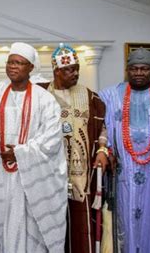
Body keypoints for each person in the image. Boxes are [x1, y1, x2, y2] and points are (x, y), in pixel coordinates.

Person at [0, 42, 67, 252]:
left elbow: (52, 140)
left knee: (28, 227)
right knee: (2, 222)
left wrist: (20, 153)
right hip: (2, 175)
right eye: (10, 62)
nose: (13, 66)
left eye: (19, 63)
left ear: (31, 68)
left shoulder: (45, 99)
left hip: (31, 177)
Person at [39, 43, 109, 253]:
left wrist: (102, 150)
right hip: (49, 173)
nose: (75, 73)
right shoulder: (41, 95)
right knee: (49, 222)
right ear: (56, 70)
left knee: (81, 224)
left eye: (76, 68)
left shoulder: (91, 97)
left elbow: (103, 129)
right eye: (69, 69)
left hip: (81, 175)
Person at [99, 47, 150, 253]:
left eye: (145, 69)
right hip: (124, 175)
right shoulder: (109, 95)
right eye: (134, 68)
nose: (139, 73)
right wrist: (103, 150)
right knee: (125, 221)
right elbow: (102, 128)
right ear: (127, 70)